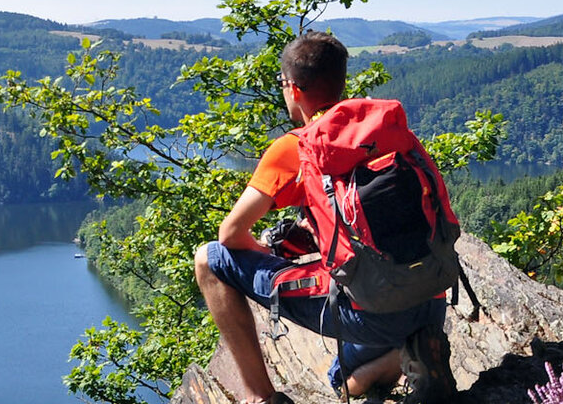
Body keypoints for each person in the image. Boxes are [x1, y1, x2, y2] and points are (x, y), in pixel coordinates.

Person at [191, 31, 455, 404]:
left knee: (210, 259)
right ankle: (412, 352)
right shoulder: (389, 134)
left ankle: (261, 398)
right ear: (342, 82)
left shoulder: (297, 146)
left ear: (292, 88)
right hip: (432, 299)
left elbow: (231, 235)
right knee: (339, 378)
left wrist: (265, 254)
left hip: (374, 313)